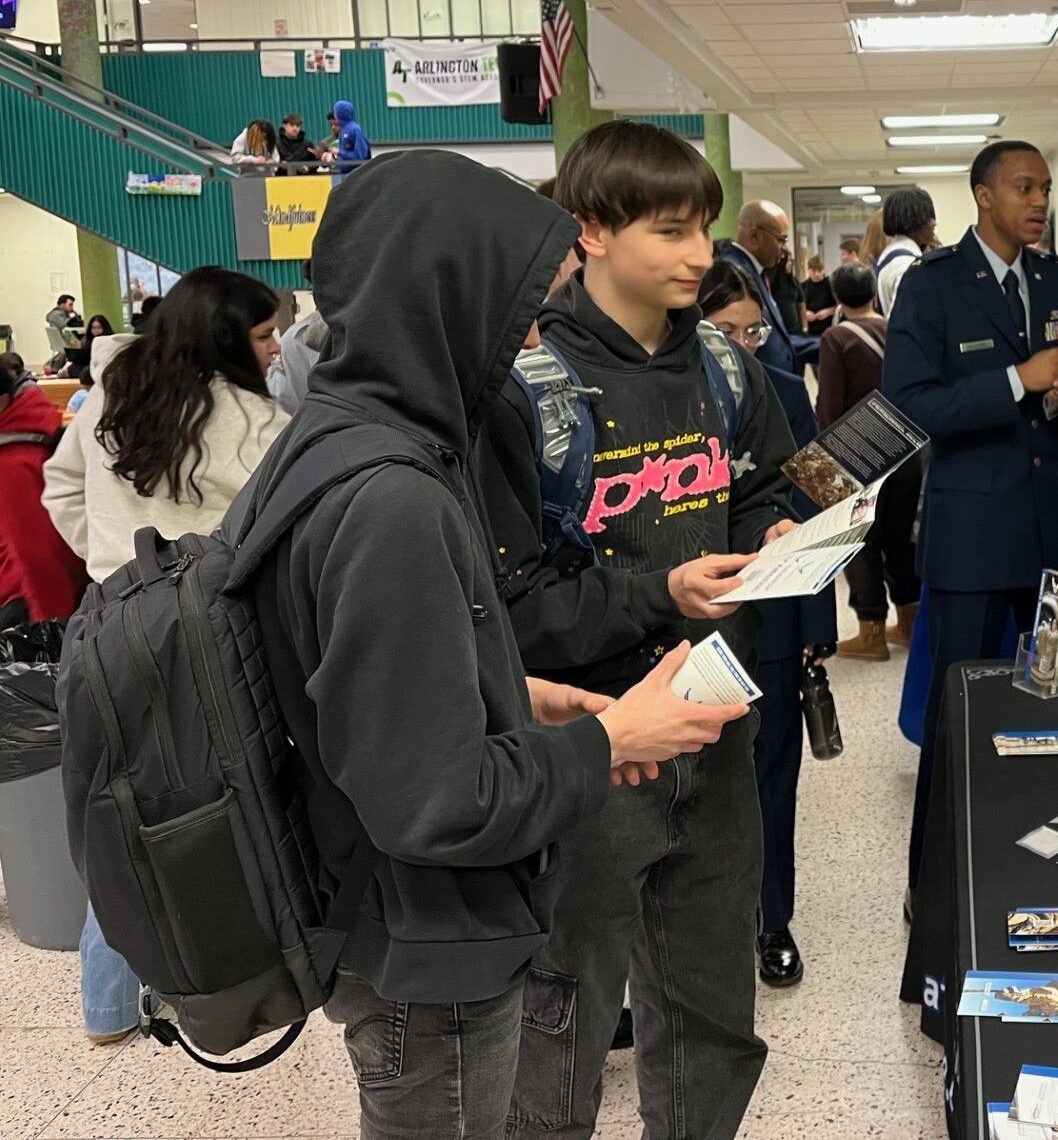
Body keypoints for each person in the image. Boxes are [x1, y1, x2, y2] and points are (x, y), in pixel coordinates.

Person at [238, 151, 702, 1140]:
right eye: (520, 304)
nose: (530, 334)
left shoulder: (339, 439)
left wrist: (513, 696)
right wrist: (612, 741)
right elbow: (437, 802)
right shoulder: (393, 500)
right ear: (446, 294)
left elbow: (358, 685)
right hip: (424, 953)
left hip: (384, 920)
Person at [474, 121, 793, 1140]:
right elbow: (508, 609)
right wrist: (665, 594)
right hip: (587, 751)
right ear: (592, 232)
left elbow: (763, 487)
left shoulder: (727, 369)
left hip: (716, 732)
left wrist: (776, 538)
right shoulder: (522, 396)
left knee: (711, 1010)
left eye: (704, 227)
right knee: (557, 1022)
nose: (704, 254)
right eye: (672, 230)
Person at [41, 267, 291, 1047]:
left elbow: (62, 492)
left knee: (114, 804)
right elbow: (276, 538)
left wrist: (111, 563)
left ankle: (108, 1009)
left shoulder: (111, 392)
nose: (278, 347)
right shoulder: (259, 424)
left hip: (104, 625)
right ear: (225, 337)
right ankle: (227, 981)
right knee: (223, 802)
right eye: (263, 333)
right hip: (209, 638)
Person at [884, 139, 1058, 893]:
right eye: (1023, 187)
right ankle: (937, 887)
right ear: (983, 195)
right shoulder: (933, 286)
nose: (1039, 201)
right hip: (973, 539)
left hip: (1051, 532)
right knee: (961, 719)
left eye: (1044, 189)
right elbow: (909, 407)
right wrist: (1017, 378)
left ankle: (1048, 871)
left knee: (1052, 717)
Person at [697, 258, 837, 989]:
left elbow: (821, 507)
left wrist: (817, 619)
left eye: (754, 331)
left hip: (776, 619)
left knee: (771, 776)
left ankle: (771, 919)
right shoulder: (665, 406)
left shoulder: (786, 393)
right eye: (725, 331)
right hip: (687, 624)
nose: (744, 346)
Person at [819, 262, 921, 661]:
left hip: (857, 453)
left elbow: (829, 408)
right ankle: (910, 621)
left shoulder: (835, 338)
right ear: (874, 294)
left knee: (859, 540)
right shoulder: (897, 330)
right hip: (905, 448)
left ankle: (871, 632)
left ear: (839, 299)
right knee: (899, 539)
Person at [0, 368, 85, 627]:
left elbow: (41, 561)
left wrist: (54, 634)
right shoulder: (37, 419)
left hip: (27, 600)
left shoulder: (13, 460)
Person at [720, 199, 817, 376]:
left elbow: (776, 339)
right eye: (781, 240)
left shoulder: (755, 271)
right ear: (755, 236)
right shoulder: (733, 274)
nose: (783, 249)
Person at [875, 186, 938, 317]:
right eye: (930, 217)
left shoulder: (892, 254)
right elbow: (904, 321)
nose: (934, 223)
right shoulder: (907, 264)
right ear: (915, 221)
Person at [60, 314, 114, 380]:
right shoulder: (89, 340)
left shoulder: (109, 340)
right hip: (88, 364)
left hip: (102, 366)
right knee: (74, 367)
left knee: (85, 370)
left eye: (99, 328)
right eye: (93, 328)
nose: (96, 331)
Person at [330, 99, 370, 173]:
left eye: (335, 112)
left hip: (355, 175)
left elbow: (361, 156)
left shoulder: (354, 129)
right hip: (344, 173)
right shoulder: (343, 130)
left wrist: (339, 152)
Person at [800, 253, 836, 335]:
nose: (817, 274)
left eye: (819, 271)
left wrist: (828, 312)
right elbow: (797, 308)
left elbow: (840, 306)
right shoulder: (802, 286)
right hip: (810, 331)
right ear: (808, 270)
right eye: (814, 271)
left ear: (823, 269)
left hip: (829, 329)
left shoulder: (830, 284)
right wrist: (805, 313)